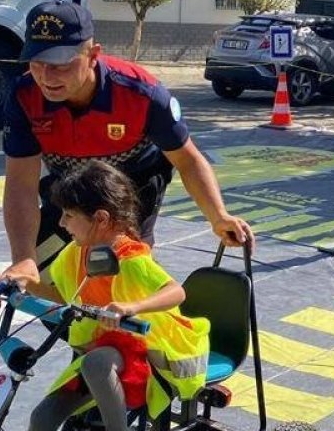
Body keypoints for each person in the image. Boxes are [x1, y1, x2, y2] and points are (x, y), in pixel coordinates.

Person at [0, 0, 254, 288]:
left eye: (61, 65)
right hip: (71, 187)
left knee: (120, 272)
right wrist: (23, 258)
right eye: (37, 63)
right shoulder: (24, 96)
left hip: (131, 187)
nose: (46, 77)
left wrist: (218, 217)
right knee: (40, 278)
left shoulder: (142, 93)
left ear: (93, 55)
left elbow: (188, 161)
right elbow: (20, 184)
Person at [17, 162, 208, 431]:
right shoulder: (76, 253)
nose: (61, 223)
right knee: (42, 418)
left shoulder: (131, 259)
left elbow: (176, 292)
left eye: (69, 215)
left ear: (101, 219)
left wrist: (131, 307)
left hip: (149, 351)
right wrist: (24, 283)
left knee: (96, 364)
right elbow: (63, 297)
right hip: (103, 348)